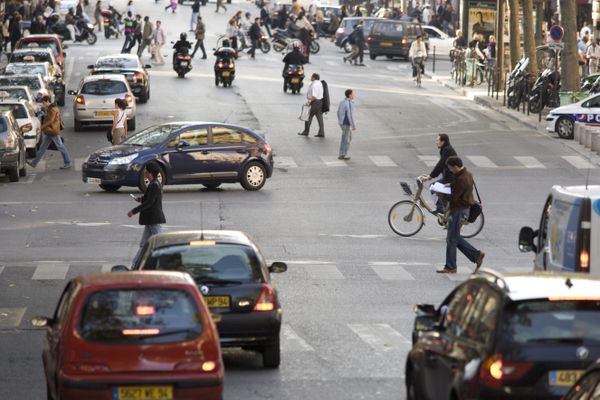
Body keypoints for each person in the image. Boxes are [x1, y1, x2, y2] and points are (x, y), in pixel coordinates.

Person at [437, 156, 484, 274]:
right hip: (461, 209)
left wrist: (440, 194)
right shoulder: (466, 174)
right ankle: (475, 255)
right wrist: (449, 186)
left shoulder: (462, 178)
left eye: (451, 168)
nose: (450, 170)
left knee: (451, 239)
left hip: (459, 210)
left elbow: (453, 197)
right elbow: (458, 189)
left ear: (456, 167)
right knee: (454, 237)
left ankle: (451, 266)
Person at [128, 162, 166, 268]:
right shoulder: (154, 183)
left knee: (160, 243)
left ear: (150, 173)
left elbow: (150, 203)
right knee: (144, 244)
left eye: (145, 170)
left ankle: (163, 265)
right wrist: (140, 199)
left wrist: (134, 211)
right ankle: (135, 265)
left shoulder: (154, 185)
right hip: (151, 220)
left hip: (153, 219)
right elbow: (149, 199)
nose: (144, 172)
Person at [27, 96, 72, 170]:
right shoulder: (50, 108)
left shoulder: (53, 109)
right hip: (50, 131)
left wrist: (41, 127)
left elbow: (51, 120)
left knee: (60, 146)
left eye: (44, 103)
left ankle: (68, 162)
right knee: (42, 148)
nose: (43, 104)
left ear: (48, 101)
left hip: (52, 130)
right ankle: (34, 163)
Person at [421, 133, 457, 214]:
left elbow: (441, 164)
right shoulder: (446, 149)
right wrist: (431, 176)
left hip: (450, 178)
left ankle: (441, 209)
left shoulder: (447, 150)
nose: (436, 142)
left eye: (437, 140)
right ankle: (446, 211)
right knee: (441, 192)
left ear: (442, 141)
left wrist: (430, 176)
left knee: (433, 187)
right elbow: (443, 165)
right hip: (448, 177)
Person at [298, 73, 325, 137]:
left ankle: (306, 131)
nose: (310, 78)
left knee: (308, 116)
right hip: (320, 102)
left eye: (311, 77)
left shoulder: (315, 85)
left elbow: (314, 96)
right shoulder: (319, 83)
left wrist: (309, 102)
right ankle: (321, 133)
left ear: (314, 77)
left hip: (314, 102)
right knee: (319, 118)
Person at [337, 89, 355, 160]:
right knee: (346, 139)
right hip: (346, 123)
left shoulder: (342, 101)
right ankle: (343, 154)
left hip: (342, 123)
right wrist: (353, 125)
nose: (354, 95)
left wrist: (340, 121)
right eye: (353, 94)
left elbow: (338, 112)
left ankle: (342, 153)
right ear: (349, 95)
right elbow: (350, 115)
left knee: (347, 137)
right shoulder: (349, 103)